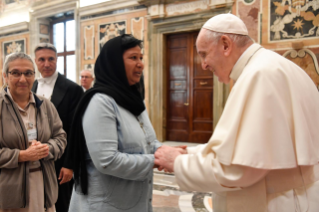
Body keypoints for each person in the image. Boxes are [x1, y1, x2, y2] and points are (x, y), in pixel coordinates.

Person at [154, 14, 319, 212]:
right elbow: (242, 149)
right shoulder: (275, 66)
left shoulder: (258, 75)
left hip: (276, 203)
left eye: (204, 54)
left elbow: (239, 169)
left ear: (225, 44)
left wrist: (177, 162)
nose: (203, 65)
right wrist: (190, 152)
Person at [66, 34, 166, 212]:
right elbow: (107, 160)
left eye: (141, 58)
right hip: (105, 204)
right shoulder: (100, 102)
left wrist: (167, 152)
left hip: (133, 201)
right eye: (133, 58)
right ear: (114, 63)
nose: (140, 64)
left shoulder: (134, 101)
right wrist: (156, 160)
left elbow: (149, 141)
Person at [0, 52, 67, 211]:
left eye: (28, 73)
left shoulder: (45, 105)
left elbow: (61, 137)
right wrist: (21, 156)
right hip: (9, 192)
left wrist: (46, 149)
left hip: (44, 186)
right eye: (16, 73)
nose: (23, 79)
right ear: (5, 76)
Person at [31, 43, 83, 212]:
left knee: (61, 205)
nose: (47, 64)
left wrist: (70, 165)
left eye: (51, 59)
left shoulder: (72, 89)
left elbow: (76, 130)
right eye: (42, 59)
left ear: (57, 60)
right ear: (35, 62)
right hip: (33, 158)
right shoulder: (31, 87)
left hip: (60, 160)